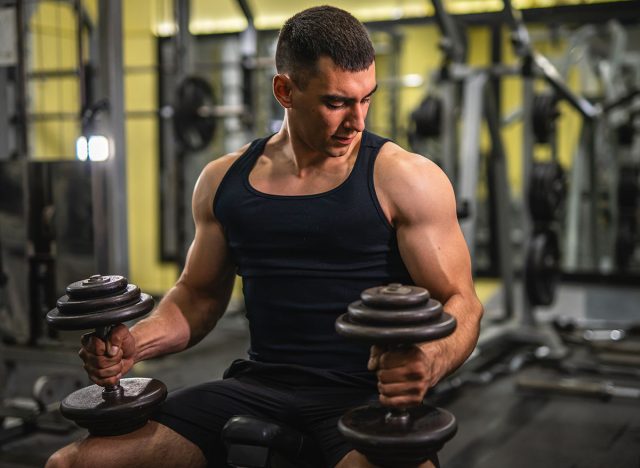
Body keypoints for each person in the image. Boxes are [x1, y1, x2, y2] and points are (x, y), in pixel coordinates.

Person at [46, 5, 483, 468]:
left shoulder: (406, 178)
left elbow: (462, 301)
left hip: (364, 393)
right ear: (284, 90)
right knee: (73, 464)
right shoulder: (223, 180)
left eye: (366, 99)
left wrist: (429, 361)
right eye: (336, 102)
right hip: (257, 386)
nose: (356, 121)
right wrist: (136, 342)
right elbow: (196, 297)